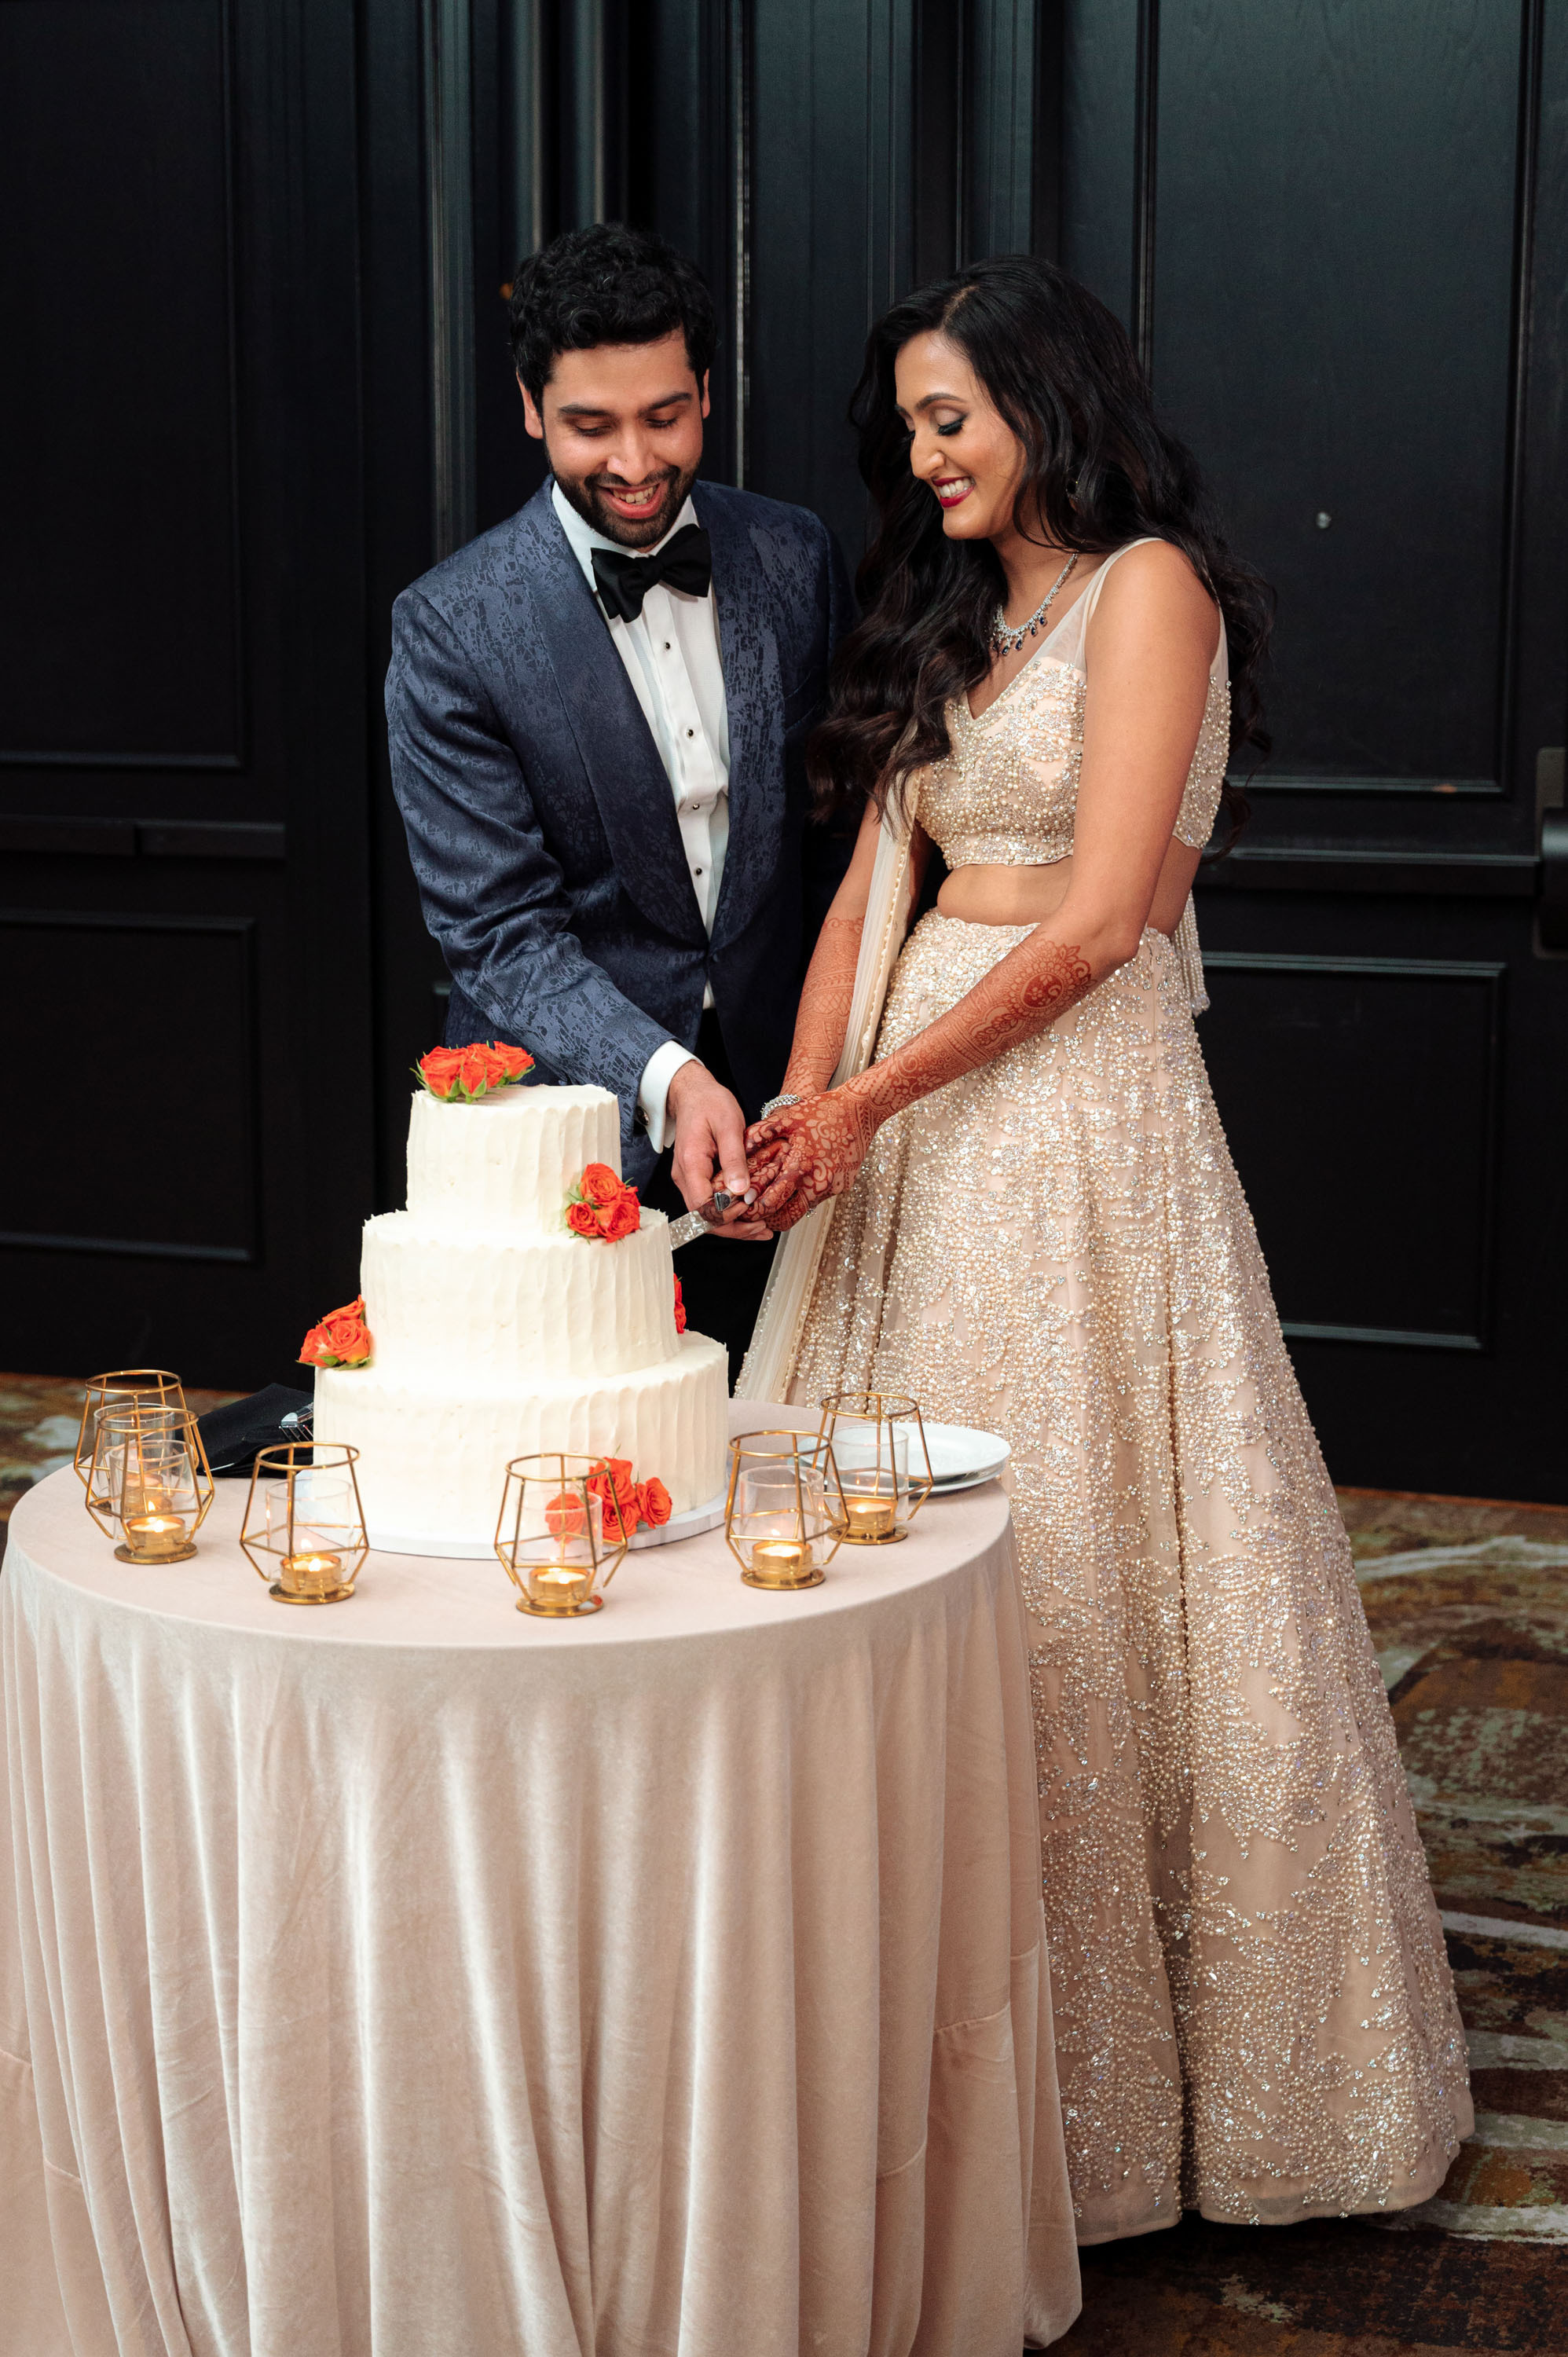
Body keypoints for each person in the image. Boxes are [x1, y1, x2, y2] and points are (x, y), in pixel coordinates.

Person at [738, 256, 1473, 2240]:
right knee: (864, 1556)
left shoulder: (1148, 591)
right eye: (907, 424)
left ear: (1044, 403)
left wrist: (871, 1103)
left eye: (948, 416)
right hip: (903, 1107)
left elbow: (1090, 927)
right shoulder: (946, 614)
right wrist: (807, 1107)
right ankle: (893, 2075)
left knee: (1070, 1557)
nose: (921, 454)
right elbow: (871, 885)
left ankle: (1108, 2110)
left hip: (1068, 1110)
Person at [387, 223, 853, 1376]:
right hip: (569, 1132)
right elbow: (498, 933)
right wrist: (671, 1078)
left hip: (788, 1114)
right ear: (531, 408)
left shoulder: (794, 558)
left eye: (665, 417)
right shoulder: (451, 627)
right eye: (592, 426)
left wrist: (817, 1083)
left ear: (706, 394)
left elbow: (838, 842)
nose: (636, 462)